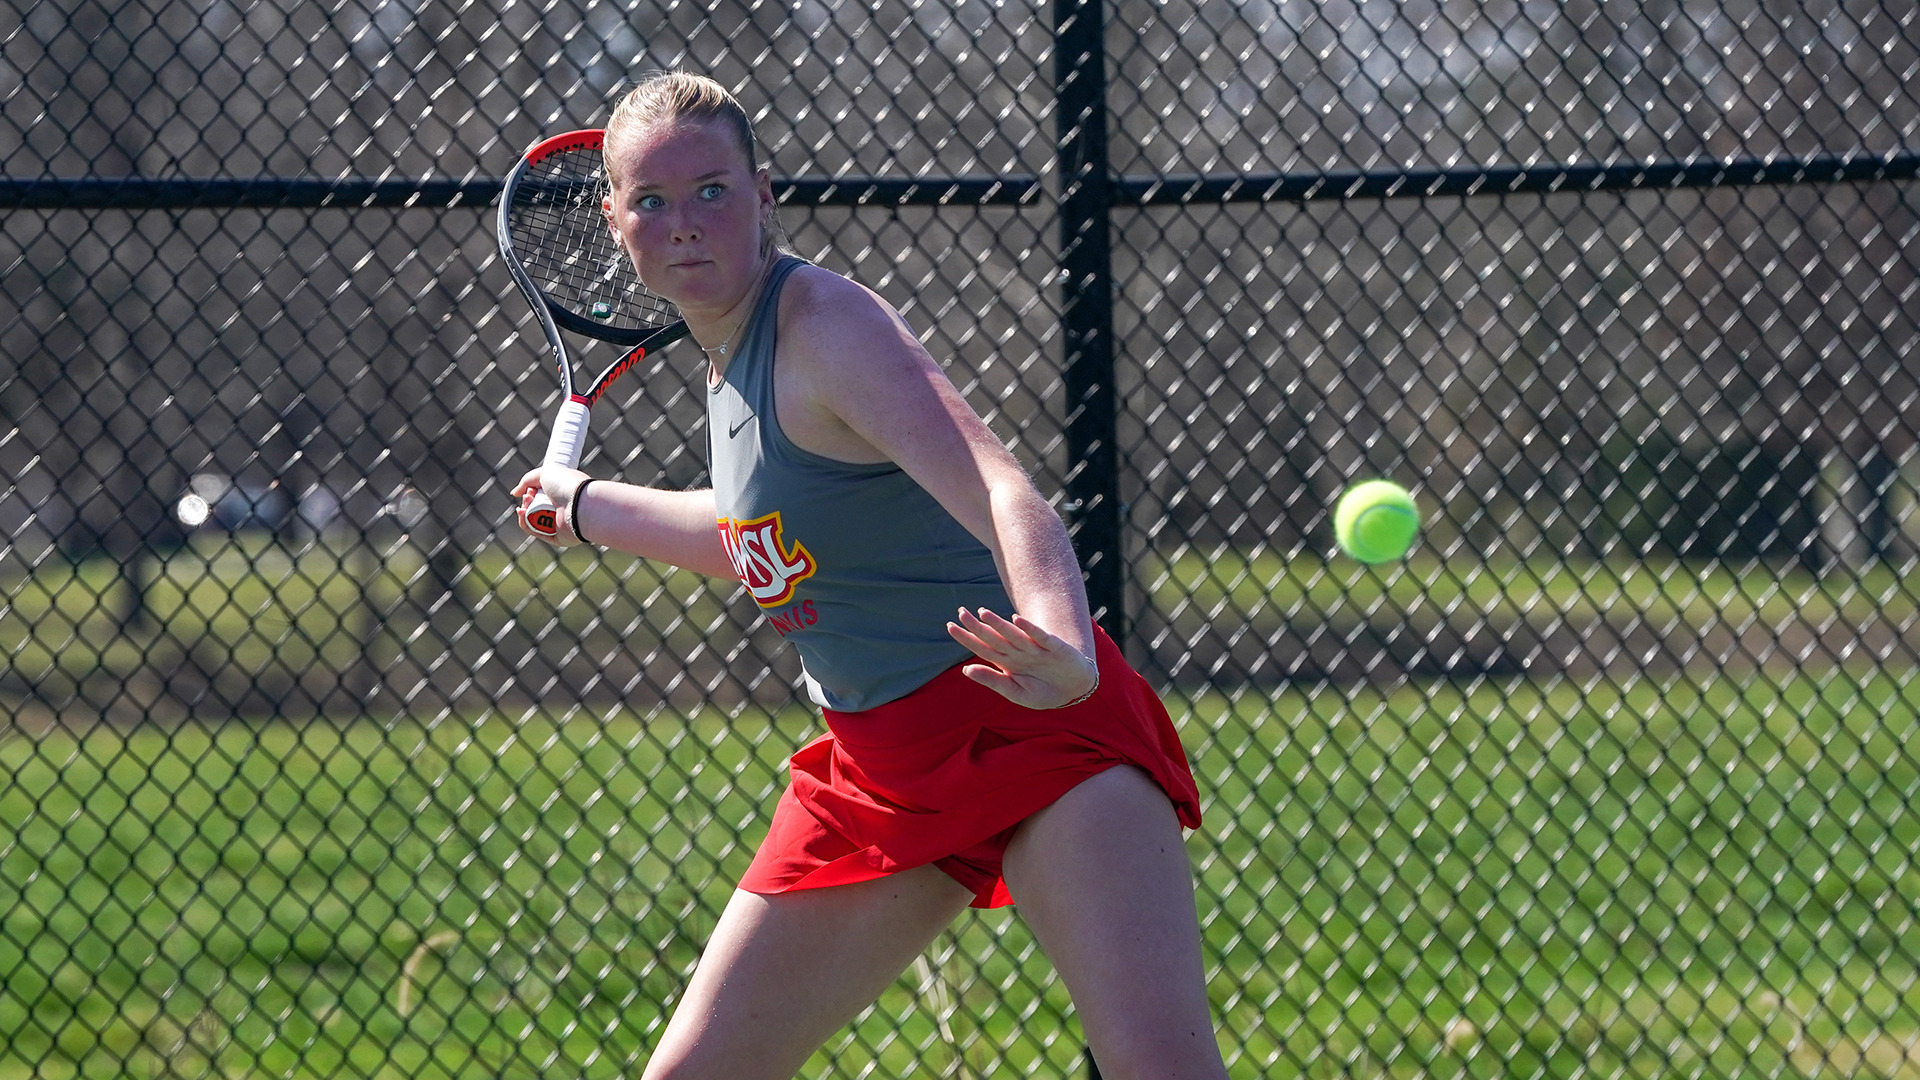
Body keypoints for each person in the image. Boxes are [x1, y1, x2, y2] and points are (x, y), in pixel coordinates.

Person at [512, 71, 1229, 1080]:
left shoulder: (825, 328)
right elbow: (760, 540)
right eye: (653, 201)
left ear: (765, 199)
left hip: (1030, 721)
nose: (685, 223)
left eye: (713, 191)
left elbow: (1003, 492)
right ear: (615, 219)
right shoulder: (728, 360)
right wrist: (587, 507)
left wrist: (1063, 644)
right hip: (879, 770)